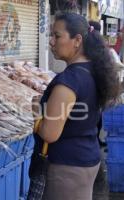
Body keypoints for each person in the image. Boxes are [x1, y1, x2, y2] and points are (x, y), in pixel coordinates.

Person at [32, 12, 120, 200]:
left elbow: (50, 133)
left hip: (66, 168)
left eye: (57, 36)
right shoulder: (93, 70)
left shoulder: (68, 81)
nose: (51, 42)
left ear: (77, 40)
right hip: (87, 158)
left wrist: (36, 111)